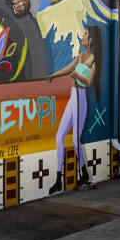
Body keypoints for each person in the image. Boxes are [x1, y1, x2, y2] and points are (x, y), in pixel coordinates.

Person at [48, 25, 100, 193]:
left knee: (76, 140)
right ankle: (58, 178)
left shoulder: (93, 59)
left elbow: (88, 81)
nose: (83, 36)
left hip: (81, 97)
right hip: (73, 96)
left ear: (90, 39)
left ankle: (83, 174)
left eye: (85, 34)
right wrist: (53, 76)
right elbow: (68, 69)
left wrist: (78, 76)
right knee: (59, 135)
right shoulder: (80, 56)